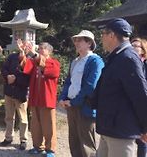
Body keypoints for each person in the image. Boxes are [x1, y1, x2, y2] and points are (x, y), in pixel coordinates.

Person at [91, 18, 147, 157]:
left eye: (103, 33)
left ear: (112, 35)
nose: (101, 37)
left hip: (121, 130)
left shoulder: (128, 58)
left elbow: (140, 95)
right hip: (109, 127)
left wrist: (146, 127)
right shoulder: (116, 56)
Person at [58, 30, 104, 157]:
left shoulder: (95, 61)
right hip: (71, 105)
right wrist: (63, 98)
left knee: (86, 143)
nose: (76, 43)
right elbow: (68, 82)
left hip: (85, 106)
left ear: (89, 43)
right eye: (76, 40)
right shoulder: (75, 61)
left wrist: (73, 101)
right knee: (74, 140)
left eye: (80, 40)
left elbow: (90, 86)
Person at [21, 42, 60, 157]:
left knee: (49, 125)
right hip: (35, 98)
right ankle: (37, 146)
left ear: (49, 51)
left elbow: (51, 71)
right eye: (39, 49)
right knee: (35, 125)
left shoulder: (54, 63)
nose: (40, 50)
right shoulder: (34, 62)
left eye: (43, 49)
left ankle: (50, 149)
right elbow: (25, 67)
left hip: (47, 99)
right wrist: (23, 53)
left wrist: (34, 55)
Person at [0, 40, 32, 150]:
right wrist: (7, 76)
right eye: (23, 45)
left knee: (23, 118)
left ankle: (23, 139)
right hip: (9, 91)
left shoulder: (31, 60)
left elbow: (28, 77)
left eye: (27, 46)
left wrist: (15, 79)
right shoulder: (12, 57)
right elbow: (4, 68)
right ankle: (8, 137)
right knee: (9, 117)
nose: (24, 47)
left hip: (21, 92)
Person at [131, 37, 147, 157]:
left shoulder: (145, 65)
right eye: (131, 45)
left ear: (143, 50)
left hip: (143, 107)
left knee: (142, 140)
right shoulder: (127, 64)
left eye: (136, 46)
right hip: (129, 108)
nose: (132, 47)